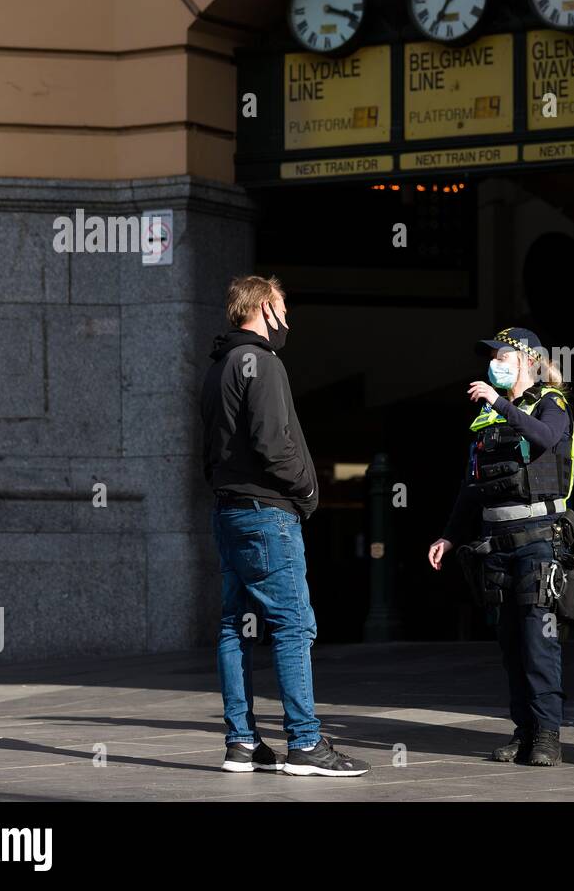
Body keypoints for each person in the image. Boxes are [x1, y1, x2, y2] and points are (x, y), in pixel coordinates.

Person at [200, 274, 370, 779]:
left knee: (234, 626)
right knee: (293, 626)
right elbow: (274, 443)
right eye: (283, 309)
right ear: (264, 308)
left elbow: (213, 452)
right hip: (267, 514)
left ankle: (242, 742)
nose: (288, 321)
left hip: (229, 512)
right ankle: (305, 743)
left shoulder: (218, 367)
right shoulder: (263, 364)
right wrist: (309, 491)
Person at [428, 327, 574, 767]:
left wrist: (498, 403)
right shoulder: (489, 419)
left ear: (527, 360)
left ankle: (548, 735)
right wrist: (449, 534)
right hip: (496, 544)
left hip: (539, 542)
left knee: (539, 642)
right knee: (511, 644)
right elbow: (473, 486)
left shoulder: (552, 404)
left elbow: (546, 438)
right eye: (491, 356)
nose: (494, 362)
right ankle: (524, 731)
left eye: (502, 355)